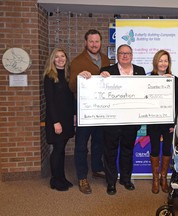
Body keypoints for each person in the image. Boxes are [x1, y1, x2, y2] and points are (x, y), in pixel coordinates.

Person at [100, 44, 146, 195]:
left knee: (127, 150)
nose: (125, 56)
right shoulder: (107, 71)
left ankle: (126, 179)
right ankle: (111, 181)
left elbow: (145, 91)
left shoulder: (140, 71)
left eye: (127, 53)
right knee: (110, 152)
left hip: (131, 120)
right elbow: (100, 92)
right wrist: (101, 80)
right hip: (112, 120)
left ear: (132, 55)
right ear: (117, 55)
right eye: (121, 53)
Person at [69, 29, 110, 194]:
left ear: (101, 43)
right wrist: (79, 76)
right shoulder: (78, 61)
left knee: (99, 141)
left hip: (102, 109)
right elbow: (71, 86)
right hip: (85, 110)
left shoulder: (106, 59)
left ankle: (97, 167)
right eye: (91, 41)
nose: (94, 44)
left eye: (97, 41)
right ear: (85, 42)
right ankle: (82, 177)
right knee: (81, 145)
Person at [147, 50, 178, 194]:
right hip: (154, 120)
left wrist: (175, 123)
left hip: (168, 122)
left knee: (167, 149)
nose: (163, 63)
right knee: (155, 149)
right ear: (156, 62)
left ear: (169, 63)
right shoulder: (149, 78)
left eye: (165, 61)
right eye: (160, 61)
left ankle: (164, 178)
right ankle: (155, 179)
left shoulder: (174, 80)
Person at [43, 48, 75, 191]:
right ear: (53, 60)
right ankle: (55, 180)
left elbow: (71, 99)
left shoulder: (68, 75)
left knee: (61, 150)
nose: (60, 59)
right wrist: (56, 122)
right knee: (58, 149)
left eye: (62, 56)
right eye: (57, 57)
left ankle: (61, 177)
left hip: (67, 118)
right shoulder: (50, 76)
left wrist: (74, 115)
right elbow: (50, 102)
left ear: (66, 59)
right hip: (56, 120)